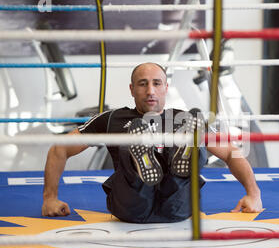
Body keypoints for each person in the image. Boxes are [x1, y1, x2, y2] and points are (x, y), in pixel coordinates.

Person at [42, 62, 262, 223]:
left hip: (173, 205)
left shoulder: (184, 119)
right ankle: (141, 158)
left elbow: (231, 152)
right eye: (142, 84)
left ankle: (181, 154)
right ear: (131, 89)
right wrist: (50, 198)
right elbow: (59, 149)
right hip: (134, 205)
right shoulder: (111, 119)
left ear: (166, 87)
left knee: (190, 147)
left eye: (157, 83)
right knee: (133, 156)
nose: (150, 91)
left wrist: (253, 195)